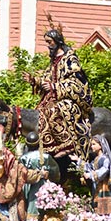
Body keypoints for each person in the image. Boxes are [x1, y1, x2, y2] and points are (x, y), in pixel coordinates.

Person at [24, 28, 93, 170]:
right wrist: (34, 80)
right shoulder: (53, 61)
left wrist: (55, 87)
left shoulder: (70, 59)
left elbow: (77, 82)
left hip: (68, 97)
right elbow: (47, 78)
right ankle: (49, 144)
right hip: (52, 96)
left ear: (57, 42)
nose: (48, 45)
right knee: (39, 114)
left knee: (56, 110)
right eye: (46, 42)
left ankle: (68, 144)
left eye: (49, 42)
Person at [70, 134, 111, 215]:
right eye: (91, 145)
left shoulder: (105, 158)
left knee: (104, 203)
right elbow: (90, 167)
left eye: (94, 144)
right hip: (97, 184)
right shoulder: (97, 159)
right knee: (97, 203)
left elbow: (104, 170)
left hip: (104, 185)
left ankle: (108, 218)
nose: (92, 147)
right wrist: (78, 160)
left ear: (101, 145)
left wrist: (90, 175)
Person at [19, 131, 61, 220]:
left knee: (31, 203)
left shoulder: (23, 158)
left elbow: (21, 173)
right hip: (43, 184)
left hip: (29, 185)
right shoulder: (46, 157)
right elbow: (55, 171)